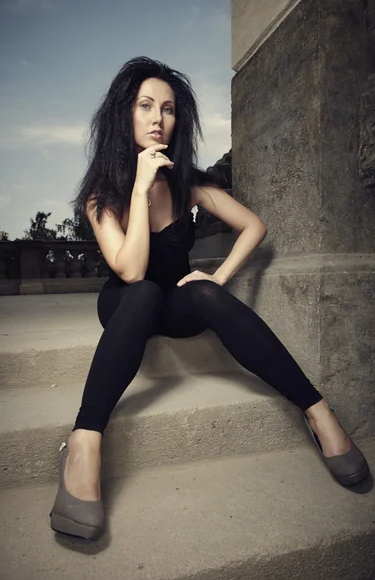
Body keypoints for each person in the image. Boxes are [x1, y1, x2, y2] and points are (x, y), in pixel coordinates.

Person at [50, 56, 370, 541]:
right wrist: (138, 189)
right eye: (145, 106)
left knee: (204, 290)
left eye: (169, 109)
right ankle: (84, 441)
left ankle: (317, 410)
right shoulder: (102, 193)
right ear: (124, 114)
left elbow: (254, 226)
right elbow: (131, 270)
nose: (158, 119)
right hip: (126, 306)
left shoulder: (189, 184)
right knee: (140, 293)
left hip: (177, 306)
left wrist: (219, 276)